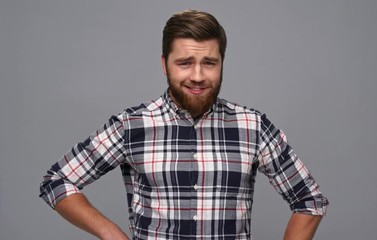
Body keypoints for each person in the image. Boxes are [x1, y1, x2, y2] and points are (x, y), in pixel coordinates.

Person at [39, 9, 328, 240]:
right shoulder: (132, 126)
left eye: (210, 63)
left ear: (222, 63)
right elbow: (57, 182)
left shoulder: (252, 127)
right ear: (165, 65)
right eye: (185, 63)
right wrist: (110, 233)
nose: (198, 76)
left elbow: (309, 200)